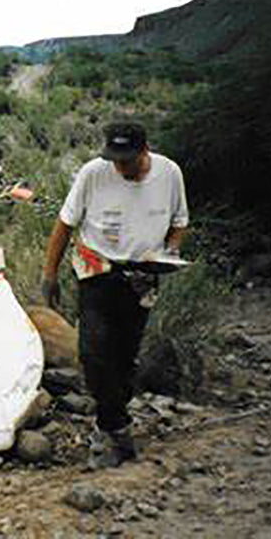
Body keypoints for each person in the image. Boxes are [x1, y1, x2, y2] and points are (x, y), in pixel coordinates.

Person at [41, 121, 189, 469]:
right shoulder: (94, 173)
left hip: (142, 277)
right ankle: (116, 428)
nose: (119, 166)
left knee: (124, 359)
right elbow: (65, 223)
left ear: (145, 150)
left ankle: (110, 427)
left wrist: (168, 253)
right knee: (92, 353)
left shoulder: (169, 174)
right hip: (97, 271)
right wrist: (49, 275)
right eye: (115, 159)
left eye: (127, 160)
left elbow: (180, 222)